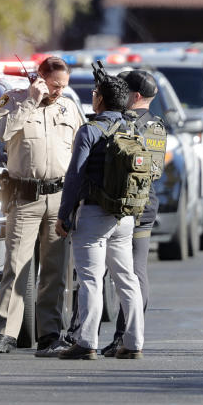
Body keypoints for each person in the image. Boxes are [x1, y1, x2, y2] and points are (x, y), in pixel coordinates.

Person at [0, 56, 84, 355]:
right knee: (16, 265)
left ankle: (50, 332)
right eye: (54, 85)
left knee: (55, 269)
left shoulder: (69, 107)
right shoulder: (12, 101)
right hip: (25, 196)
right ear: (38, 79)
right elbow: (2, 133)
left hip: (60, 197)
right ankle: (6, 333)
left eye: (63, 86)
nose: (59, 91)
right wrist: (31, 102)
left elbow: (82, 147)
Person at [55, 76, 144, 360]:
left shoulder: (90, 130)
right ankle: (133, 343)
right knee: (126, 278)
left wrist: (64, 215)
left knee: (91, 280)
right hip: (124, 216)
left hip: (93, 214)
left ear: (100, 99)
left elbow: (74, 177)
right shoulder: (133, 128)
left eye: (94, 93)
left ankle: (86, 342)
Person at [98, 69, 166, 357]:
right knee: (137, 272)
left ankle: (119, 337)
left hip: (120, 204)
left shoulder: (124, 124)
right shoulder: (158, 126)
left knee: (105, 272)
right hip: (146, 203)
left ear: (136, 96)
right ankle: (129, 336)